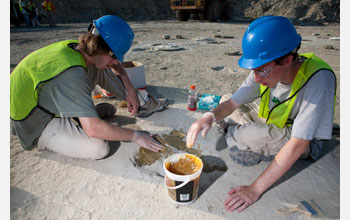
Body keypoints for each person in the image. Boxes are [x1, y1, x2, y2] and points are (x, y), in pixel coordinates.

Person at [186, 15, 336, 212]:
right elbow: (232, 102)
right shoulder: (266, 66)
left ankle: (236, 133)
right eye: (253, 71)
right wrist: (208, 117)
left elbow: (299, 144)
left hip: (301, 138)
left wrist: (255, 189)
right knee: (224, 99)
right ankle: (237, 130)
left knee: (248, 134)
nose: (256, 78)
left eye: (261, 71)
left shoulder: (319, 79)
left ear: (287, 60)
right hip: (271, 117)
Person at [10, 15, 169, 160]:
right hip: (35, 119)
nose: (116, 62)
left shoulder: (83, 50)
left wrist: (131, 91)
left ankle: (90, 114)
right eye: (114, 57)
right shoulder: (72, 74)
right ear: (105, 50)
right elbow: (93, 130)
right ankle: (81, 120)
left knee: (102, 68)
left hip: (49, 97)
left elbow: (115, 65)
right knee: (98, 148)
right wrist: (135, 136)